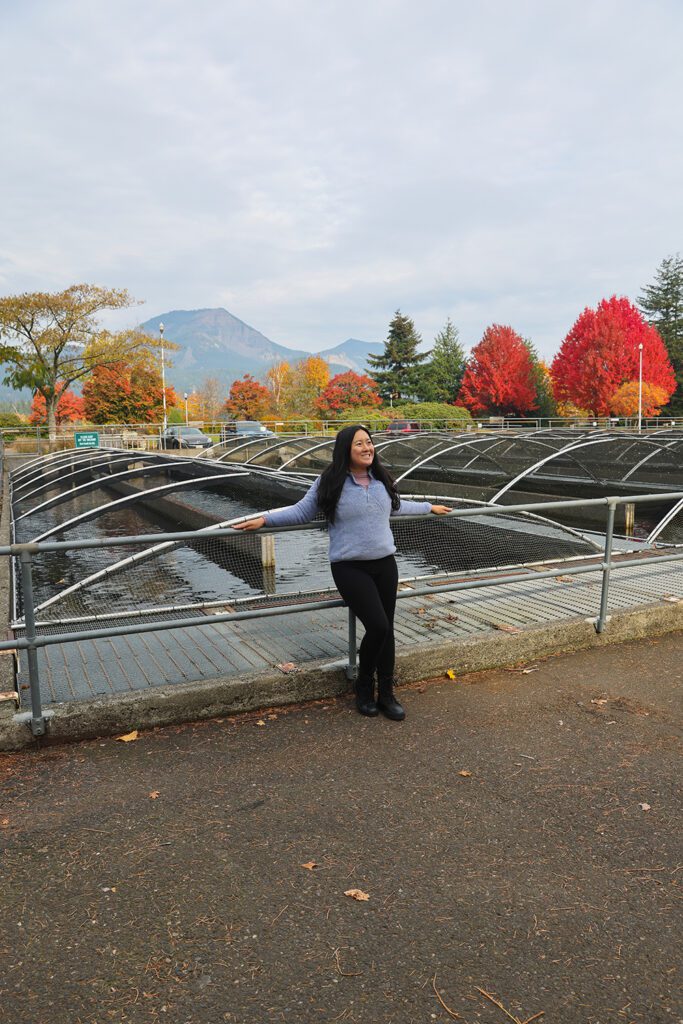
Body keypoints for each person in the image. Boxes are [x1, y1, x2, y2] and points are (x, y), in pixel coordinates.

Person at [234, 424, 451, 720]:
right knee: (379, 627)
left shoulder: (381, 478)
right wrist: (264, 520)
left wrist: (429, 507)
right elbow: (301, 512)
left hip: (385, 564)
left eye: (370, 442)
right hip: (350, 567)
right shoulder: (330, 481)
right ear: (346, 450)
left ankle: (386, 694)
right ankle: (364, 686)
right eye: (359, 444)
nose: (367, 448)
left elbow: (396, 507)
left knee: (387, 631)